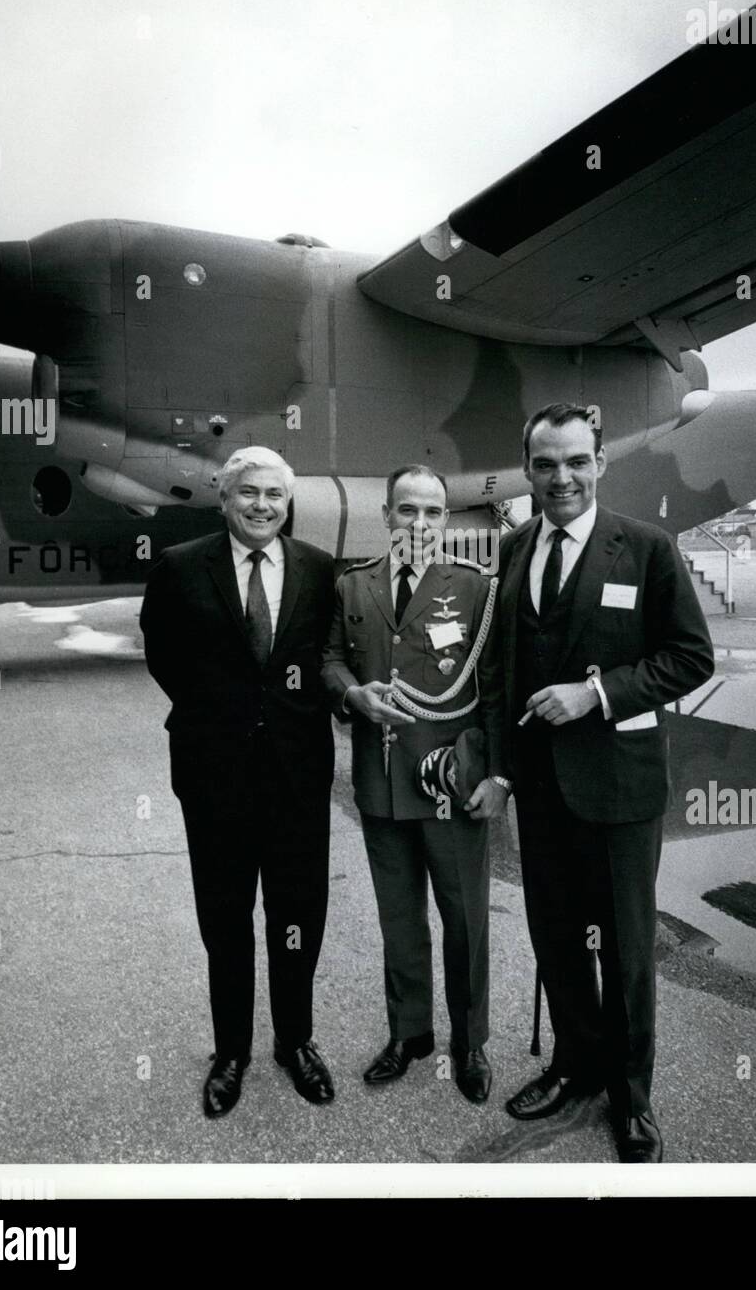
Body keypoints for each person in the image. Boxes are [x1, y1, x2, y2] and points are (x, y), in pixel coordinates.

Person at [496, 404, 714, 1161]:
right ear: (527, 469)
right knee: (556, 939)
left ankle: (629, 1095)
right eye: (546, 464)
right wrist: (498, 766)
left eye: (576, 462)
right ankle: (573, 1065)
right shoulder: (515, 546)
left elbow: (689, 657)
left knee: (622, 948)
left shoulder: (646, 549)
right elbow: (503, 670)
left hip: (619, 788)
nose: (561, 478)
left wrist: (595, 693)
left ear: (600, 463)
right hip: (542, 788)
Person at [140, 446, 336, 1117]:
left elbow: (321, 659)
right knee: (225, 919)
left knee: (297, 916)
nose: (260, 506)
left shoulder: (316, 569)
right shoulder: (180, 566)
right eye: (247, 493)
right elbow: (160, 652)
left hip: (297, 778)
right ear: (222, 497)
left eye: (273, 496)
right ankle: (231, 1052)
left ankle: (295, 1041)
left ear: (288, 504)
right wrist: (218, 713)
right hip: (213, 775)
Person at [322, 466, 509, 1104]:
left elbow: (497, 693)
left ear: (447, 518)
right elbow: (329, 656)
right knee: (400, 920)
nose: (421, 524)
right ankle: (409, 1034)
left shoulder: (477, 588)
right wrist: (352, 693)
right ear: (386, 514)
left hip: (450, 784)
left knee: (464, 920)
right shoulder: (353, 583)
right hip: (380, 783)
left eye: (433, 512)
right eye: (408, 511)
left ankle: (470, 1043)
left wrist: (495, 775)